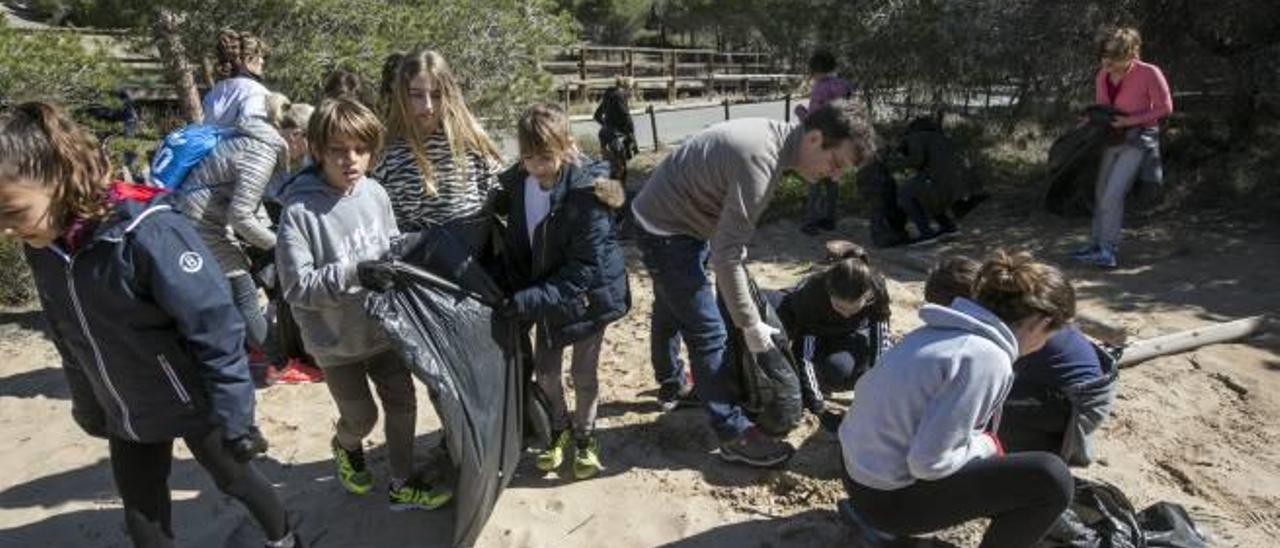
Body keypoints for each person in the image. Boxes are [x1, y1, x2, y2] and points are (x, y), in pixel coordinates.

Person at [0, 102, 297, 548]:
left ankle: (286, 538)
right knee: (142, 515)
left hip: (195, 400)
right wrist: (89, 404)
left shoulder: (146, 232)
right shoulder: (44, 247)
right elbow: (67, 334)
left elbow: (215, 325)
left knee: (236, 478)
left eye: (11, 211)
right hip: (129, 409)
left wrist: (236, 415)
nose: (5, 229)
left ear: (57, 177)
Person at [631, 99, 877, 467]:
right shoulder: (761, 163)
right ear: (813, 139)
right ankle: (732, 433)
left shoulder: (775, 142)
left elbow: (726, 224)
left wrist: (728, 243)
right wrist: (749, 324)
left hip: (680, 216)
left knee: (673, 301)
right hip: (668, 227)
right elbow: (725, 256)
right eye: (836, 163)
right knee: (709, 331)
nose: (835, 175)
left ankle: (673, 384)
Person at [275, 98, 450, 511]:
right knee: (362, 418)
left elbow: (388, 246)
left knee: (404, 402)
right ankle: (345, 444)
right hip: (335, 341)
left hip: (383, 330)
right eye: (338, 150)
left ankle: (401, 482)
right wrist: (356, 273)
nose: (351, 159)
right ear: (317, 150)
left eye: (361, 149)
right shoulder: (299, 212)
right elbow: (297, 287)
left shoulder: (375, 192)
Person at [838, 251, 1076, 548]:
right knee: (1052, 479)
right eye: (1050, 334)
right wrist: (987, 445)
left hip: (857, 477)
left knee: (1011, 439)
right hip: (886, 502)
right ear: (1041, 322)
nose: (1044, 344)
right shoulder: (985, 357)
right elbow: (929, 464)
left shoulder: (935, 332)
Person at [493, 104, 629, 480]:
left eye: (547, 157)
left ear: (567, 146)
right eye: (529, 157)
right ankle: (559, 427)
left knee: (583, 374)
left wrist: (526, 301)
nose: (538, 167)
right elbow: (521, 243)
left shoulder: (588, 195)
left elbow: (583, 270)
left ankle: (586, 436)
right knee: (547, 374)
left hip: (588, 297)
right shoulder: (519, 186)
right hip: (546, 294)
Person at [925, 255, 1116, 466]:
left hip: (1078, 401)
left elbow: (980, 377)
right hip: (1073, 388)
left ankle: (1025, 457)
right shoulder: (1010, 304)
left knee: (972, 409)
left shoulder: (1010, 323)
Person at [178, 94, 289, 383]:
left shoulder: (249, 138)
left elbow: (247, 203)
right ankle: (279, 361)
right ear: (297, 134)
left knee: (228, 295)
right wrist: (281, 246)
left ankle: (246, 355)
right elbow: (241, 215)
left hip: (199, 217)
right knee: (244, 292)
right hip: (201, 224)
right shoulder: (262, 152)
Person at [373, 47, 503, 253]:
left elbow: (497, 199)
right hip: (419, 270)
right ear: (402, 96)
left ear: (448, 94)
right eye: (417, 95)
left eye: (436, 95)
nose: (428, 107)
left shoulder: (471, 143)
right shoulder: (387, 155)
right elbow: (382, 227)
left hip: (475, 266)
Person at [1073, 26, 1172, 269]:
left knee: (1112, 194)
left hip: (1138, 139)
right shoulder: (1102, 75)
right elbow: (1104, 109)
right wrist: (1090, 119)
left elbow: (1165, 107)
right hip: (1112, 137)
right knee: (1100, 193)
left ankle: (1108, 250)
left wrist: (1130, 121)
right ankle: (1096, 245)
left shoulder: (1149, 73)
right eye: (1104, 54)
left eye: (1114, 56)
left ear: (1131, 54)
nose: (1107, 61)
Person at [764, 243, 890, 405]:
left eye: (854, 308)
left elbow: (880, 338)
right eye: (840, 306)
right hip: (805, 320)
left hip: (847, 333)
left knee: (839, 370)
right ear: (829, 292)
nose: (846, 313)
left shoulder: (876, 288)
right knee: (770, 310)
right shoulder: (813, 294)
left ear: (868, 295)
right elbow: (804, 352)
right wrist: (816, 403)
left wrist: (877, 381)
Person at [795, 50, 854, 236]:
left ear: (817, 70)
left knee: (815, 181)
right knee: (832, 182)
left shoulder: (820, 88)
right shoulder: (846, 85)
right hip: (840, 139)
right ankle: (830, 220)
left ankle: (810, 223)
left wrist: (799, 112)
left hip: (821, 141)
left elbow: (813, 119)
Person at [203, 29, 271, 127]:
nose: (262, 61)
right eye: (260, 56)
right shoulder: (255, 92)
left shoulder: (214, 92)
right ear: (247, 59)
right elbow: (255, 129)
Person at [593, 75, 638, 185]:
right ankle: (619, 196)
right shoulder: (620, 96)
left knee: (608, 167)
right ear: (628, 88)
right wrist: (632, 137)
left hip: (604, 135)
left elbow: (597, 115)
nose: (632, 93)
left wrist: (607, 125)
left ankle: (608, 195)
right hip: (615, 138)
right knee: (620, 170)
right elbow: (626, 118)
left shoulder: (609, 95)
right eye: (632, 89)